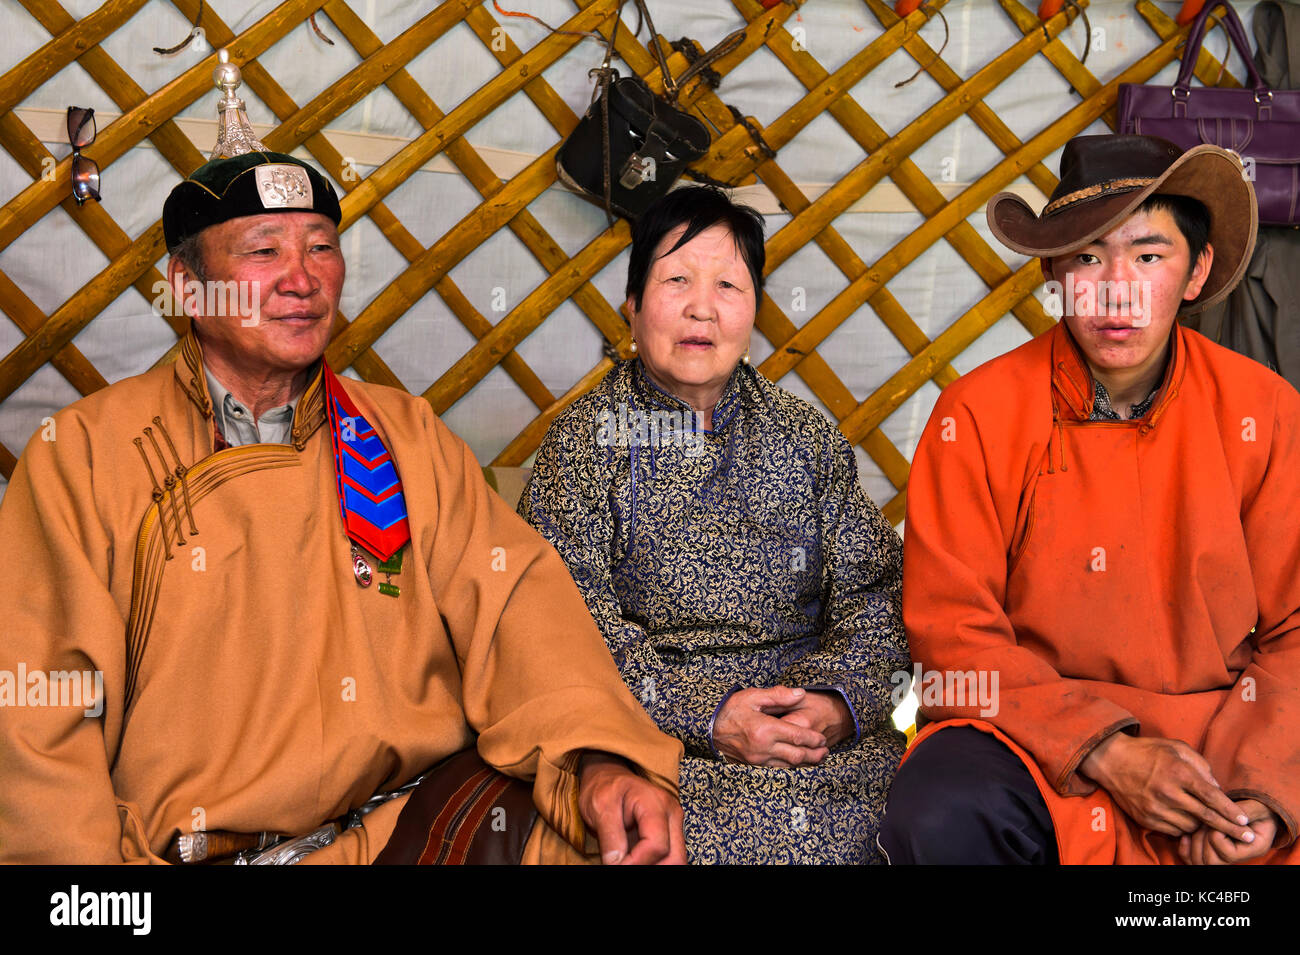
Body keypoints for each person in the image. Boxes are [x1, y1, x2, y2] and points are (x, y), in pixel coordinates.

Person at [0, 70, 684, 865]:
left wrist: (597, 759)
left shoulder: (400, 432)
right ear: (188, 287)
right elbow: (39, 728)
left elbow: (515, 604)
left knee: (610, 840)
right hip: (194, 854)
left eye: (320, 248)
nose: (303, 278)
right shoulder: (85, 454)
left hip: (406, 828)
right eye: (264, 251)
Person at [881, 134, 1300, 865]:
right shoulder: (976, 415)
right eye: (1087, 257)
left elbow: (1297, 631)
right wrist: (1105, 749)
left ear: (1196, 270)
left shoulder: (1262, 410)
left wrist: (1257, 792)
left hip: (1222, 743)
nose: (1116, 289)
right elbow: (954, 639)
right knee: (938, 809)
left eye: (1148, 256)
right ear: (1053, 272)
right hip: (1035, 742)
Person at [518, 186, 908, 864]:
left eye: (729, 283)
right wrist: (712, 714)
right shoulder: (585, 443)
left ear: (754, 311)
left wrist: (830, 704)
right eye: (676, 280)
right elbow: (564, 629)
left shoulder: (805, 436)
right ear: (632, 305)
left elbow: (876, 597)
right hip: (667, 751)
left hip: (822, 747)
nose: (702, 306)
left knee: (933, 820)